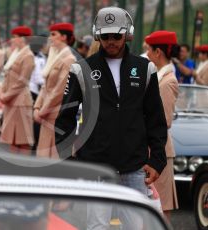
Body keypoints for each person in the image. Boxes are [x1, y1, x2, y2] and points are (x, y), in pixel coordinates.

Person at [55, 7, 167, 229]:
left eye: (116, 35)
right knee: (97, 226)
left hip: (134, 167)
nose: (111, 41)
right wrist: (67, 160)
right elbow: (65, 117)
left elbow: (155, 118)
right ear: (98, 35)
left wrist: (157, 160)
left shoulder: (146, 69)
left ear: (127, 34)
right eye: (105, 36)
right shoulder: (81, 68)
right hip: (97, 167)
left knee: (135, 226)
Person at [145, 30, 179, 221]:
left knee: (161, 205)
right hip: (154, 146)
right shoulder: (161, 77)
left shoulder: (167, 82)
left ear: (158, 52)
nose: (147, 54)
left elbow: (163, 120)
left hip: (159, 149)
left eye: (149, 50)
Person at [34, 22, 76, 158]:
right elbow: (45, 86)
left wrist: (43, 110)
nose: (50, 38)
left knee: (52, 157)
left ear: (64, 37)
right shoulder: (54, 56)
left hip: (55, 114)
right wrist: (37, 107)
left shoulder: (69, 59)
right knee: (44, 155)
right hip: (46, 113)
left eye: (53, 34)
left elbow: (60, 90)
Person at [0, 26, 35, 154]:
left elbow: (22, 81)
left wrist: (6, 95)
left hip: (21, 101)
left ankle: (23, 169)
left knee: (23, 139)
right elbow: (7, 76)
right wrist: (2, 93)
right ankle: (13, 166)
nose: (12, 40)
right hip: (11, 101)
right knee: (13, 137)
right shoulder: (15, 54)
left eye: (15, 37)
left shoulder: (28, 55)